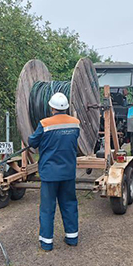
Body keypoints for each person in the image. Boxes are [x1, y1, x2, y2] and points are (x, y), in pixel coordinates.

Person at [28, 92, 80, 251]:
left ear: (51, 108)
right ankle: (72, 238)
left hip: (50, 174)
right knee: (70, 204)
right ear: (66, 108)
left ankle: (46, 243)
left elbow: (32, 142)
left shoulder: (44, 124)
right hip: (68, 173)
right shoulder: (75, 123)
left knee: (47, 208)